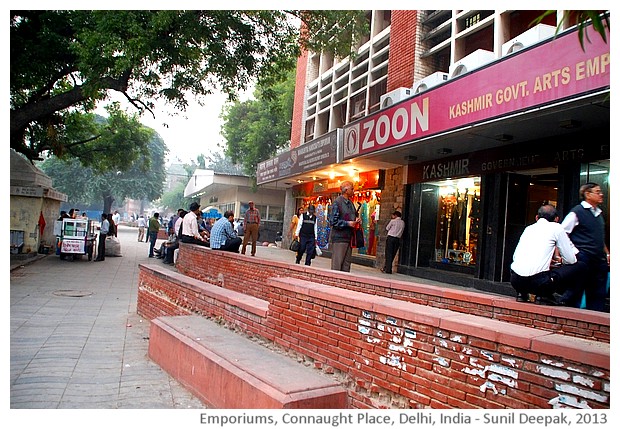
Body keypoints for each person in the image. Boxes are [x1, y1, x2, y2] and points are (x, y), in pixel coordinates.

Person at [510, 204, 580, 303]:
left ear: (537, 217)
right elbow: (570, 259)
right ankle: (545, 296)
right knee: (578, 266)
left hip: (516, 281)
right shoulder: (557, 228)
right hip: (540, 283)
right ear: (556, 219)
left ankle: (521, 294)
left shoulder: (528, 228)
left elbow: (515, 257)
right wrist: (560, 261)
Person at [559, 183, 610, 311]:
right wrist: (574, 252)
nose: (601, 194)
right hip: (584, 258)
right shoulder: (577, 212)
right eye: (597, 192)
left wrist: (607, 254)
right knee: (576, 291)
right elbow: (562, 233)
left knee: (598, 295)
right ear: (587, 194)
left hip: (599, 260)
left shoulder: (599, 214)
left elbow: (599, 238)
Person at [329, 180, 360, 272]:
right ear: (346, 190)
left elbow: (353, 216)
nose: (353, 190)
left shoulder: (350, 203)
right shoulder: (337, 203)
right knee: (337, 265)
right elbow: (333, 221)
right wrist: (348, 223)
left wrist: (356, 221)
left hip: (349, 238)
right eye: (352, 189)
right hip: (339, 238)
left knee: (346, 265)